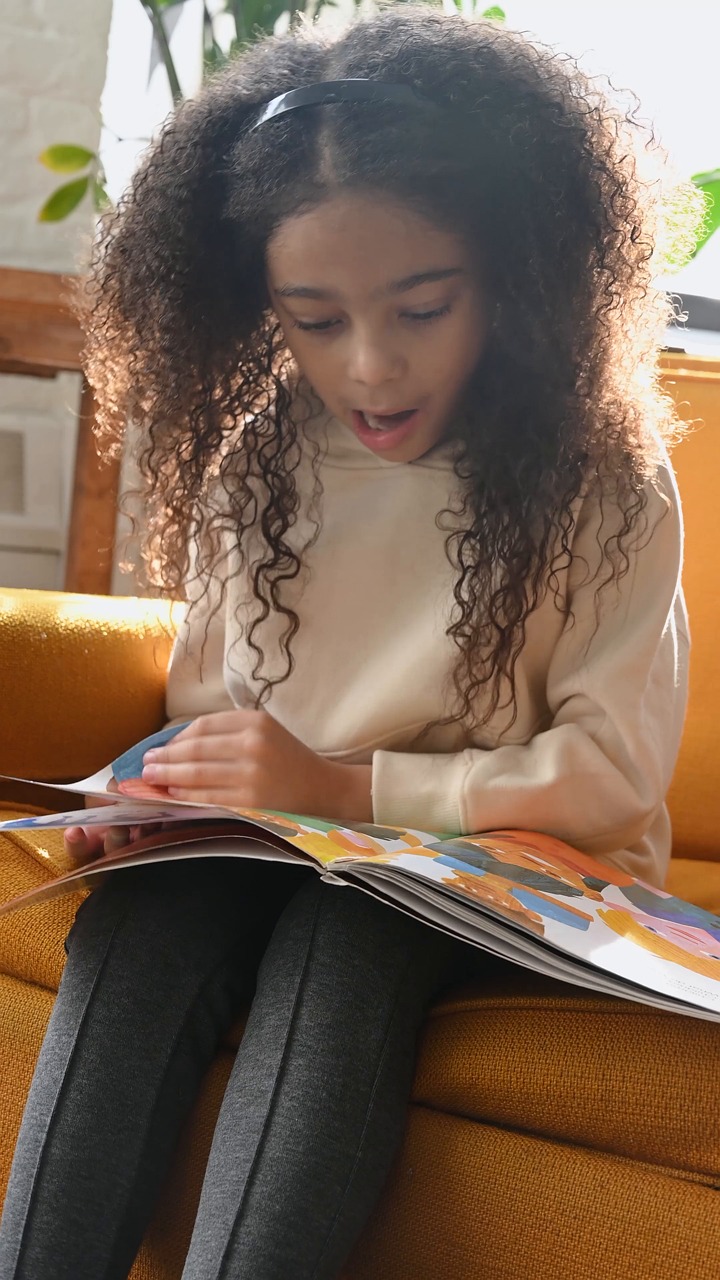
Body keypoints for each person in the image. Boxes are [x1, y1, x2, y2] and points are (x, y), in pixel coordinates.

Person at [0, 6, 697, 1278]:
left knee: (352, 929)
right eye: (314, 320)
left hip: (502, 870)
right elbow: (213, 698)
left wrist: (345, 791)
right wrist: (156, 794)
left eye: (422, 306)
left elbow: (610, 773)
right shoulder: (262, 454)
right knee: (148, 914)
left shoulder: (610, 479)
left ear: (518, 268)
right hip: (288, 841)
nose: (369, 366)